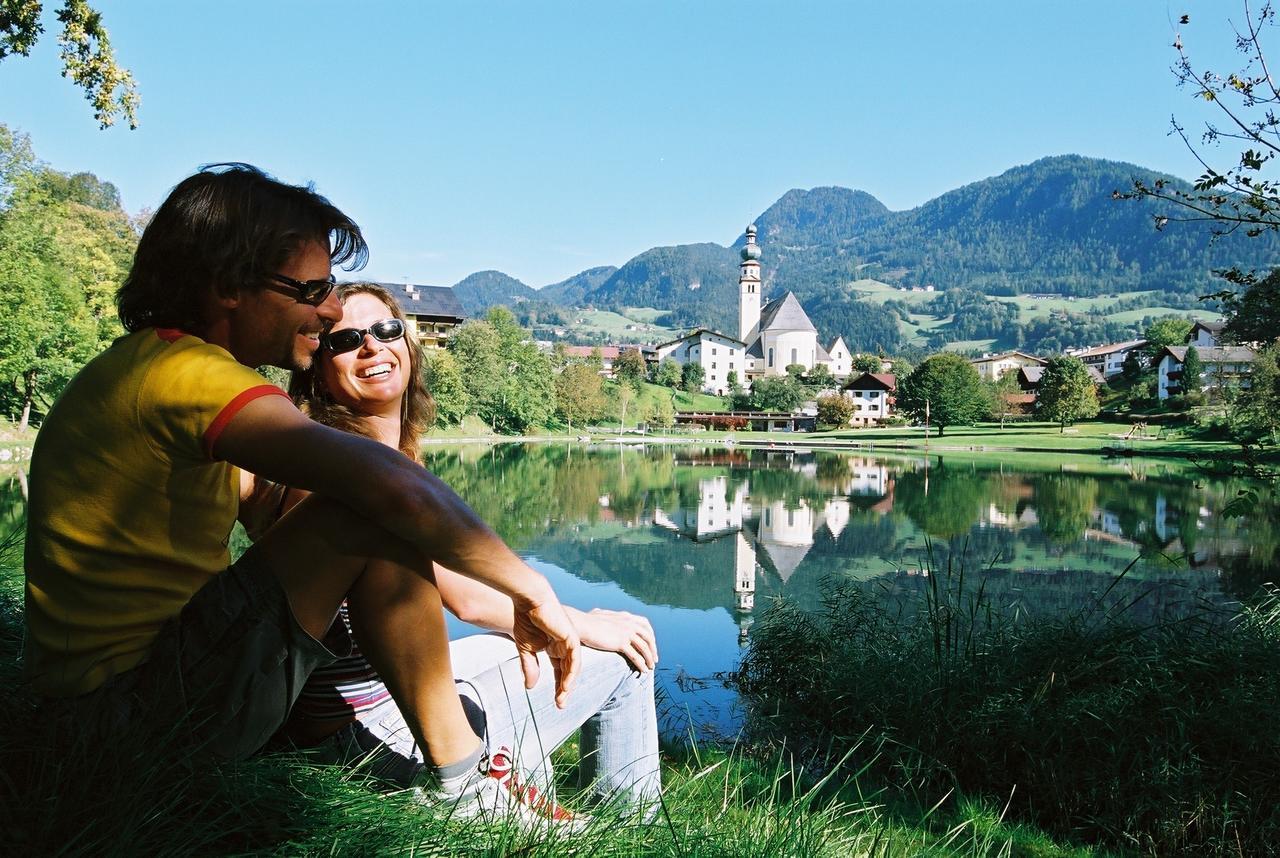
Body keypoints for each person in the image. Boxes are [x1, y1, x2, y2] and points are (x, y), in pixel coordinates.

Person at [22, 164, 590, 823]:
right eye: (312, 289)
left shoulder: (149, 370)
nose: (328, 308)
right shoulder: (186, 373)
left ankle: (458, 768)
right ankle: (465, 785)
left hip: (103, 713)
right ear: (229, 286)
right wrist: (533, 589)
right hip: (124, 726)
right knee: (364, 507)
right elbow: (385, 486)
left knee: (363, 506)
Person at [240, 281, 660, 817]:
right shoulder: (341, 472)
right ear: (317, 370)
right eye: (344, 341)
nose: (372, 346)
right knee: (625, 660)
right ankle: (632, 824)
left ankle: (519, 774)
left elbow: (456, 586)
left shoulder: (358, 457)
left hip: (377, 704)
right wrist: (579, 621)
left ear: (408, 346)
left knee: (550, 661)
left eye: (386, 330)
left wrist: (560, 621)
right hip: (364, 731)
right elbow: (467, 597)